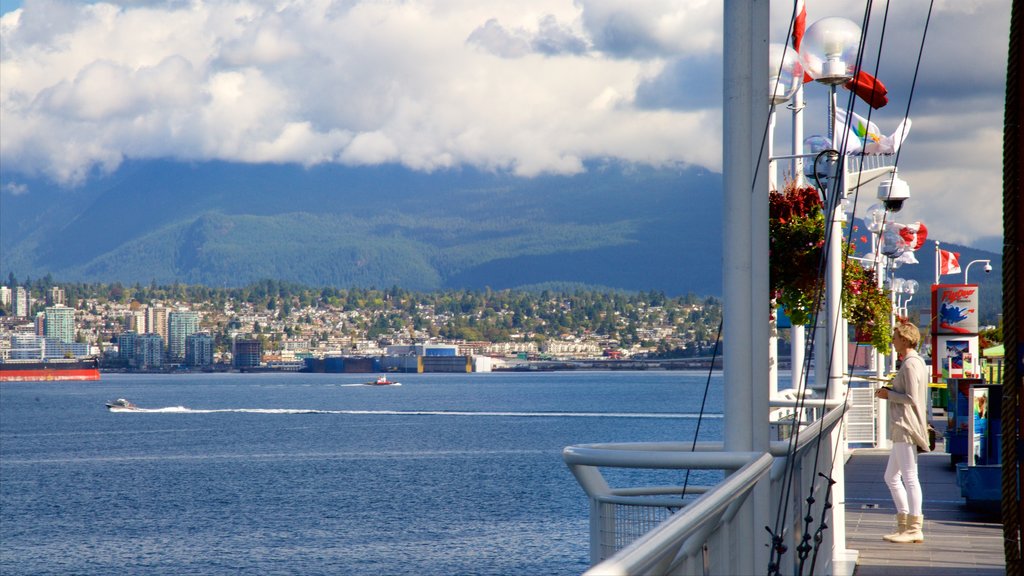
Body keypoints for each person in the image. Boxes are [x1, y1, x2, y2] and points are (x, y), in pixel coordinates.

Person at [874, 320, 931, 544]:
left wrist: (888, 395)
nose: (893, 341)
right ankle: (904, 524)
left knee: (909, 477)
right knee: (891, 476)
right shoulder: (913, 362)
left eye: (895, 338)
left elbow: (911, 398)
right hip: (902, 426)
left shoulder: (910, 364)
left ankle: (914, 527)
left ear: (905, 340)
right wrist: (890, 391)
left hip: (906, 425)